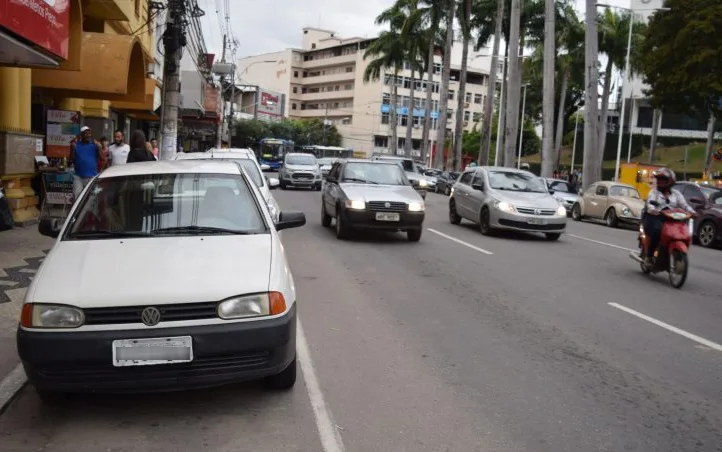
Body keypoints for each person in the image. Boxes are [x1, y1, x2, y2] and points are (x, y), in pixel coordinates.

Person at [642, 168, 695, 266]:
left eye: (663, 180)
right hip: (654, 217)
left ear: (670, 181)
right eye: (659, 180)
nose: (660, 182)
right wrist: (657, 211)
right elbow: (650, 206)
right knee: (657, 231)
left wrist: (693, 212)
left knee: (682, 232)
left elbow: (685, 205)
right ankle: (649, 257)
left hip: (672, 220)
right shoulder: (653, 192)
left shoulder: (676, 194)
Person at [70, 126, 106, 198]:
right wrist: (72, 149)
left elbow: (103, 158)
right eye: (85, 133)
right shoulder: (76, 145)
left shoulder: (94, 145)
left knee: (91, 198)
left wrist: (99, 148)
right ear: (81, 135)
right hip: (78, 177)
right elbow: (72, 160)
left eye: (89, 133)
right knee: (77, 197)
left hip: (91, 177)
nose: (88, 135)